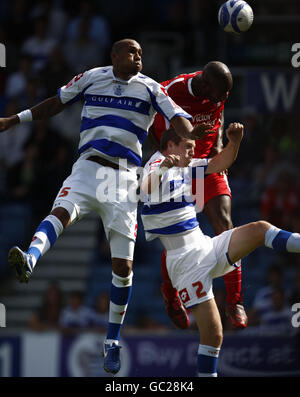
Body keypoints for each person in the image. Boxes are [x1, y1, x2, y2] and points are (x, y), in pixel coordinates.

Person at [1, 38, 209, 375]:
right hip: (88, 166)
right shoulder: (91, 77)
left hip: (125, 180)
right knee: (61, 212)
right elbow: (56, 103)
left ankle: (112, 341)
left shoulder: (150, 87)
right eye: (131, 52)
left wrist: (191, 135)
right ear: (114, 56)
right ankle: (30, 259)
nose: (138, 56)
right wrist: (15, 119)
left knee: (123, 267)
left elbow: (178, 117)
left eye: (141, 53)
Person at [140, 126, 300, 376]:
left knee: (260, 229)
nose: (192, 152)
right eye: (188, 147)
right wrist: (164, 167)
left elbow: (218, 162)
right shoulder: (157, 163)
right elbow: (147, 188)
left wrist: (234, 142)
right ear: (170, 145)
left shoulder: (185, 164)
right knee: (214, 336)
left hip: (204, 244)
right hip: (184, 261)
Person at [148, 62, 247, 330]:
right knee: (178, 242)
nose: (223, 98)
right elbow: (146, 117)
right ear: (204, 86)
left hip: (208, 164)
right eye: (220, 93)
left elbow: (218, 112)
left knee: (224, 224)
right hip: (178, 166)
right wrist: (161, 156)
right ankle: (170, 295)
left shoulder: (216, 93)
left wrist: (218, 143)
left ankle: (234, 301)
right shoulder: (171, 90)